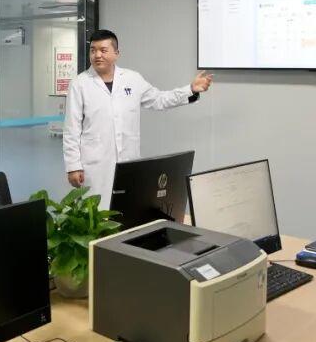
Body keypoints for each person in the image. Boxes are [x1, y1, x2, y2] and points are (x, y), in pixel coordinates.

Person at [63, 29, 212, 208]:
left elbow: (159, 100)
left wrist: (190, 89)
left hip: (128, 161)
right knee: (96, 211)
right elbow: (71, 129)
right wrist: (73, 166)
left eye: (103, 50)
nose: (97, 55)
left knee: (127, 209)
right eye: (93, 50)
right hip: (95, 166)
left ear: (116, 53)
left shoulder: (132, 79)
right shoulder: (79, 84)